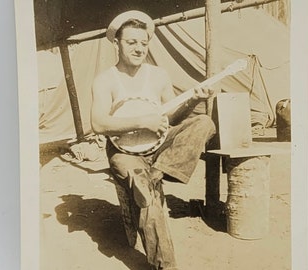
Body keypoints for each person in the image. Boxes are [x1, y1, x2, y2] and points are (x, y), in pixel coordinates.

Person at [91, 10, 216, 270]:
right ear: (117, 43)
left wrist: (193, 100)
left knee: (204, 122)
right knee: (148, 198)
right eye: (131, 42)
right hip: (125, 153)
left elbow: (170, 117)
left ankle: (160, 171)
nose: (139, 48)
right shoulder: (105, 80)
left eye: (144, 43)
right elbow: (98, 123)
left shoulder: (158, 75)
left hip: (159, 146)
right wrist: (141, 121)